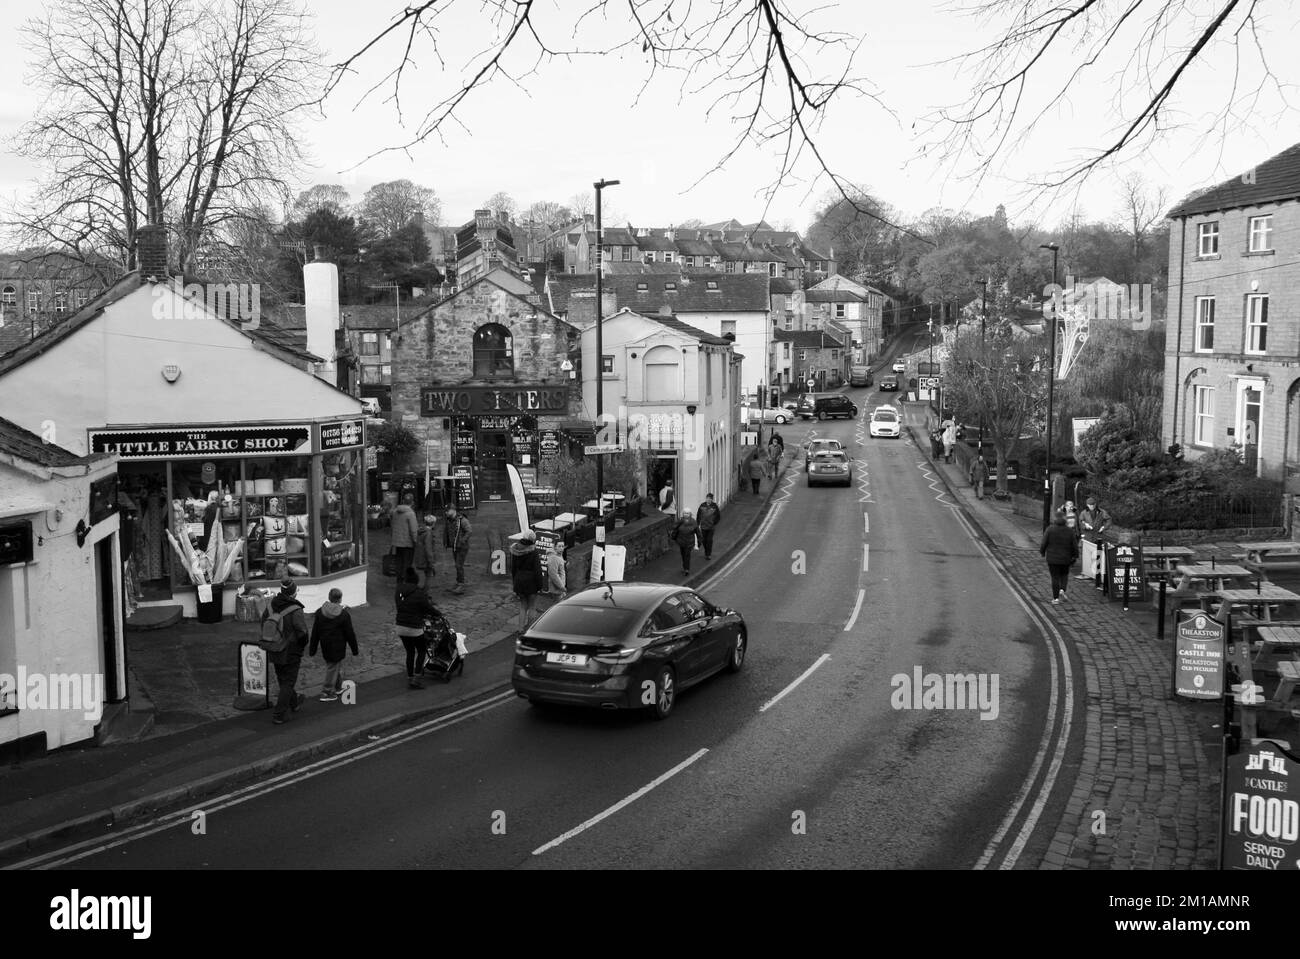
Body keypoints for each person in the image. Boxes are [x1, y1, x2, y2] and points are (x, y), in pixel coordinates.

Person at [265, 578, 308, 724]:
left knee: (283, 677)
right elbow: (302, 632)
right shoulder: (295, 610)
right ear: (293, 593)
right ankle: (279, 714)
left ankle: (294, 703)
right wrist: (302, 646)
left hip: (273, 647)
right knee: (288, 681)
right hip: (290, 649)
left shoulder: (271, 605)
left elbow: (264, 623)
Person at [309, 587, 359, 702]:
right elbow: (350, 633)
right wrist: (355, 649)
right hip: (338, 645)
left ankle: (337, 686)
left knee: (334, 665)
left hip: (325, 644)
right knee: (332, 667)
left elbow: (315, 632)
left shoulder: (320, 612)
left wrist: (313, 649)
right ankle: (327, 692)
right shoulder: (344, 615)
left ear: (329, 597)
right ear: (340, 599)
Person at [395, 567, 437, 688]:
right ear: (416, 581)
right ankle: (416, 678)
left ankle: (410, 677)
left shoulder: (398, 590)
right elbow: (428, 608)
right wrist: (438, 614)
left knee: (410, 652)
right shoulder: (419, 593)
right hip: (414, 627)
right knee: (422, 650)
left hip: (400, 626)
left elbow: (399, 606)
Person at [1040, 511, 1079, 605]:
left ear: (1055, 519)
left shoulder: (1050, 529)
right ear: (1064, 519)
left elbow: (1044, 543)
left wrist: (1042, 552)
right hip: (1066, 558)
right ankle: (1062, 589)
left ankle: (1055, 598)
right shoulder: (1069, 531)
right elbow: (1074, 545)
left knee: (1055, 578)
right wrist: (1075, 556)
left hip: (1052, 559)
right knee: (1064, 575)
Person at [508, 531, 543, 630]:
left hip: (519, 581)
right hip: (531, 582)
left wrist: (515, 582)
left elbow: (513, 568)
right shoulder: (534, 551)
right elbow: (537, 570)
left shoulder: (515, 550)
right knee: (532, 606)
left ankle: (520, 629)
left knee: (523, 606)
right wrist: (540, 586)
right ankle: (529, 630)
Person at [1077, 496, 1112, 586]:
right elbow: (1080, 522)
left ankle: (1097, 573)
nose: (1091, 506)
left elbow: (1109, 519)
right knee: (1086, 554)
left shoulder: (1101, 512)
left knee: (1098, 554)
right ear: (1087, 505)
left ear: (1095, 504)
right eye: (1090, 505)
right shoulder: (1084, 513)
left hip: (1098, 536)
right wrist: (1085, 526)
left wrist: (1104, 527)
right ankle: (1086, 572)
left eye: (1093, 505)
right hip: (1088, 536)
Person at [443, 505, 472, 594]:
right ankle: (459, 583)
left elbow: (469, 531)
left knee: (459, 565)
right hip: (455, 546)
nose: (446, 512)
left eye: (447, 511)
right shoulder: (450, 520)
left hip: (462, 547)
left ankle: (461, 585)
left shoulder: (462, 520)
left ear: (453, 510)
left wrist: (462, 541)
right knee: (457, 565)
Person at [390, 493, 419, 579]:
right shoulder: (411, 514)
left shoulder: (395, 512)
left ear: (403, 501)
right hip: (407, 543)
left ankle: (399, 580)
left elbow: (392, 526)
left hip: (397, 543)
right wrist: (416, 541)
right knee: (407, 563)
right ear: (412, 502)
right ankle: (405, 582)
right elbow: (414, 530)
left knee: (399, 562)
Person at [415, 513, 438, 600]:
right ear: (433, 523)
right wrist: (431, 562)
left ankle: (422, 594)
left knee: (425, 576)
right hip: (426, 560)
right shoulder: (428, 534)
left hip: (420, 558)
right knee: (429, 577)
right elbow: (428, 549)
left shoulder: (421, 532)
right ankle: (424, 596)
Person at [672, 509, 700, 575]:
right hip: (681, 542)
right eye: (684, 513)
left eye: (687, 513)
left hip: (689, 542)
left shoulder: (693, 522)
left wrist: (699, 541)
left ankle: (687, 569)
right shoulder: (680, 520)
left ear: (690, 514)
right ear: (683, 514)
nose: (686, 514)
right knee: (683, 555)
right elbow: (674, 527)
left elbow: (698, 532)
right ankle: (685, 567)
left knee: (687, 555)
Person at [696, 493, 721, 560]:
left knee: (709, 540)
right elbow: (698, 515)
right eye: (707, 498)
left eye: (710, 498)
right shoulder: (702, 505)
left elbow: (718, 516)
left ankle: (708, 554)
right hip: (703, 526)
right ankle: (706, 551)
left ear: (712, 499)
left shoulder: (714, 506)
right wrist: (697, 523)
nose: (708, 500)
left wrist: (714, 523)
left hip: (711, 527)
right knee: (704, 540)